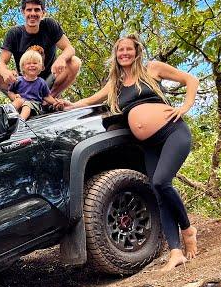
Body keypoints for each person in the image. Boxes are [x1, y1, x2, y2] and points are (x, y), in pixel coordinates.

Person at [66, 33, 199, 272]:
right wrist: (66, 105)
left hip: (173, 133)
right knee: (157, 192)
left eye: (128, 49)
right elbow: (90, 100)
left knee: (161, 181)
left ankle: (188, 230)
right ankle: (176, 252)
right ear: (116, 55)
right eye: (120, 50)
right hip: (148, 145)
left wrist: (185, 106)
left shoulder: (152, 69)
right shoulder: (115, 84)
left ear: (136, 52)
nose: (124, 53)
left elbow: (191, 80)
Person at [0, 0, 81, 104]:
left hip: (47, 83)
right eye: (29, 10)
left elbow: (70, 48)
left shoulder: (50, 25)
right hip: (24, 85)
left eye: (37, 10)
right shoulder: (14, 33)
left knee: (74, 62)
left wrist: (62, 58)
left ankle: (47, 102)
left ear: (43, 13)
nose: (32, 13)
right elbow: (1, 62)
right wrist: (5, 72)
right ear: (23, 12)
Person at [8, 49, 65, 120]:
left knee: (27, 105)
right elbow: (10, 92)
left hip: (34, 106)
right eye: (28, 63)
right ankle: (7, 112)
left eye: (35, 63)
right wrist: (14, 96)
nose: (32, 65)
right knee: (19, 100)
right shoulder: (18, 80)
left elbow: (46, 96)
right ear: (23, 67)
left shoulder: (41, 82)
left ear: (41, 67)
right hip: (20, 105)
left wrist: (55, 103)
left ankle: (20, 121)